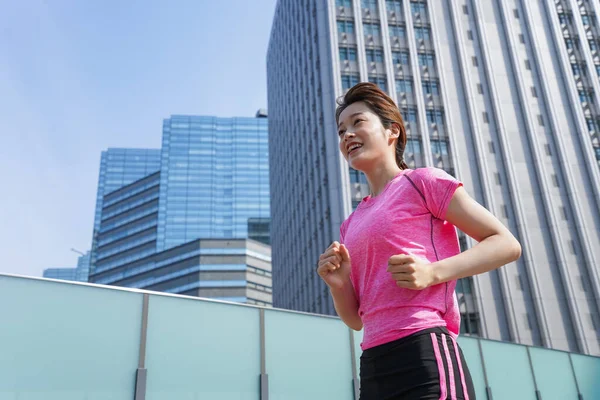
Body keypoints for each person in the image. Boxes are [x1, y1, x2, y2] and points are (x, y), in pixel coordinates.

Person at [317, 83, 522, 400]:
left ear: (392, 132)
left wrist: (433, 272)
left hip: (424, 349)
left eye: (358, 122)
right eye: (342, 129)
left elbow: (506, 244)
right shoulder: (350, 223)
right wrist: (338, 284)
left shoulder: (423, 181)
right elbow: (356, 319)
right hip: (373, 363)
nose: (347, 135)